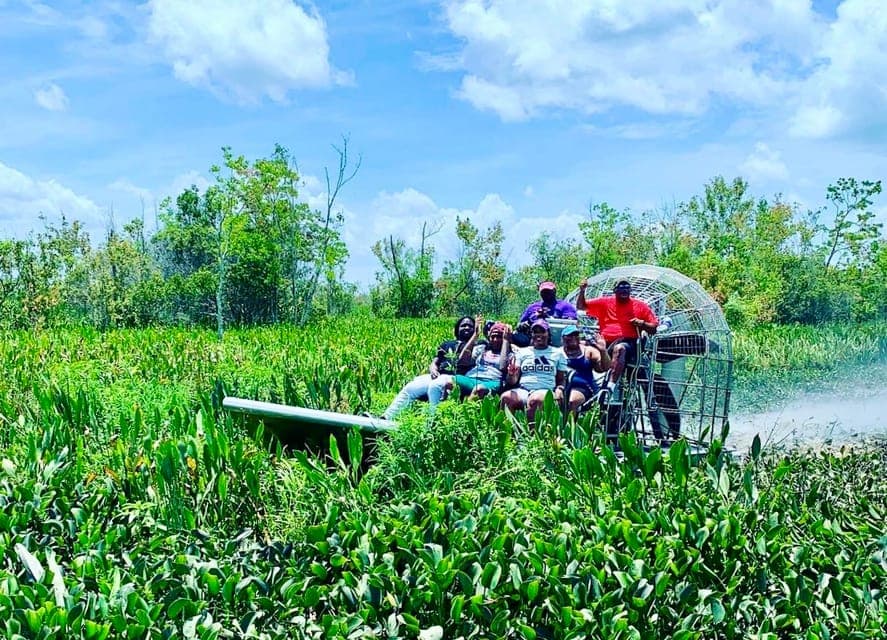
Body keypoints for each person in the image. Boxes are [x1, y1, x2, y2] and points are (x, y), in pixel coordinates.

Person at [382, 315, 478, 420]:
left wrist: (475, 337)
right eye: (463, 325)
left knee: (435, 387)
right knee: (410, 388)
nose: (467, 328)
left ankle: (431, 421)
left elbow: (465, 359)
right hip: (438, 375)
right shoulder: (447, 344)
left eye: (470, 326)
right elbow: (435, 361)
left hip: (456, 378)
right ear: (457, 329)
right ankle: (386, 417)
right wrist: (433, 369)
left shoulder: (477, 345)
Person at [577, 278, 658, 386]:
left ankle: (610, 386)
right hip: (605, 342)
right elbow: (581, 306)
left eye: (627, 288)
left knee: (619, 348)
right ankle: (579, 382)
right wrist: (582, 291)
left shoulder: (640, 306)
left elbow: (653, 328)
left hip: (628, 344)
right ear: (615, 290)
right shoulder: (605, 302)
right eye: (621, 287)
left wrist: (642, 323)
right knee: (579, 345)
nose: (624, 290)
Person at [500, 319, 569, 425]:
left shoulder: (558, 353)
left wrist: (560, 389)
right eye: (535, 332)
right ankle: (509, 433)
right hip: (524, 390)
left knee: (535, 400)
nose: (538, 335)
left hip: (545, 390)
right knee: (506, 397)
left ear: (548, 334)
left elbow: (561, 379)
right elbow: (512, 381)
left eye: (542, 331)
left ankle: (531, 436)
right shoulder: (523, 352)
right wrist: (511, 374)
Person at [450, 320, 514, 400]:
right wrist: (475, 335)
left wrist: (506, 341)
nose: (495, 340)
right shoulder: (481, 349)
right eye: (493, 336)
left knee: (479, 389)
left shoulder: (510, 354)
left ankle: (465, 410)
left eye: (499, 337)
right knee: (449, 381)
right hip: (471, 378)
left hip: (492, 381)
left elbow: (503, 367)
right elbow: (462, 361)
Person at [560, 325, 610, 413]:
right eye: (570, 336)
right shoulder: (557, 353)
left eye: (576, 335)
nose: (573, 338)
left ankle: (570, 425)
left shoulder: (588, 351)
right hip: (563, 386)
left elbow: (605, 368)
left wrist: (603, 351)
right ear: (563, 338)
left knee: (573, 400)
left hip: (584, 387)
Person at [514, 281, 578, 346]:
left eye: (548, 291)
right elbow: (520, 324)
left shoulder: (565, 306)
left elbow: (571, 323)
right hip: (534, 340)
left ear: (554, 291)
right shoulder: (532, 307)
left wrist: (548, 317)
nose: (546, 294)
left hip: (558, 340)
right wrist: (532, 319)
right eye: (543, 292)